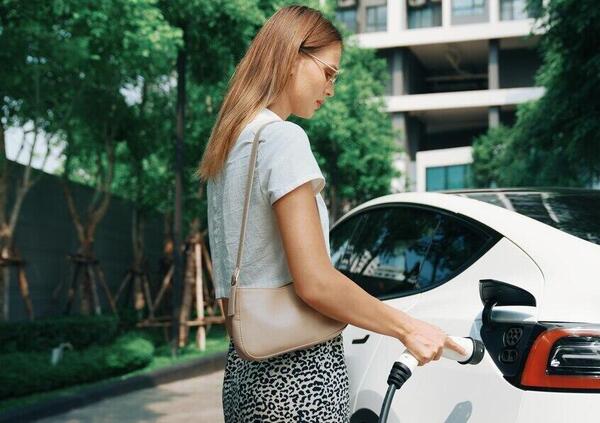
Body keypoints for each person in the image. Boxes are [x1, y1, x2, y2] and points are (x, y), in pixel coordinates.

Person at [198, 5, 466, 422]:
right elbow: (316, 282)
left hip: (243, 373)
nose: (331, 88)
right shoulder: (282, 139)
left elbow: (231, 288)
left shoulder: (228, 150)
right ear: (292, 56)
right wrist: (408, 328)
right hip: (298, 375)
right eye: (329, 72)